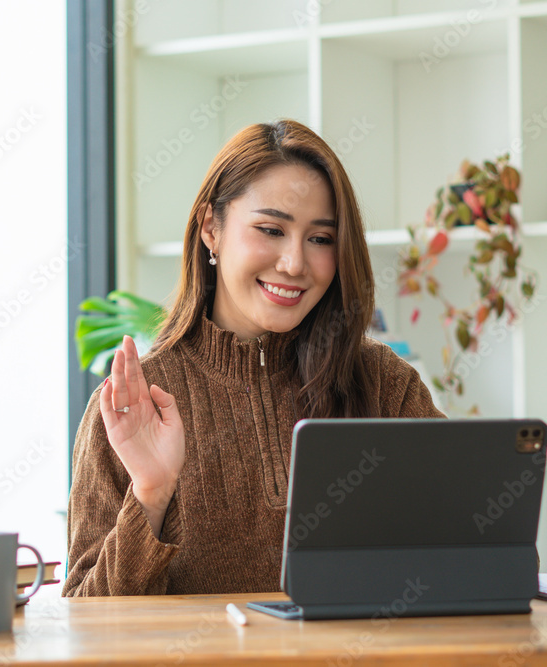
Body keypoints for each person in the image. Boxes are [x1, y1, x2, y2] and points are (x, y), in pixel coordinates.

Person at [62, 119, 444, 597]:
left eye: (321, 239)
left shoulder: (384, 384)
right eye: (270, 229)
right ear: (211, 230)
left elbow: (489, 549)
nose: (295, 263)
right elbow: (87, 624)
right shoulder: (130, 409)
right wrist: (152, 496)